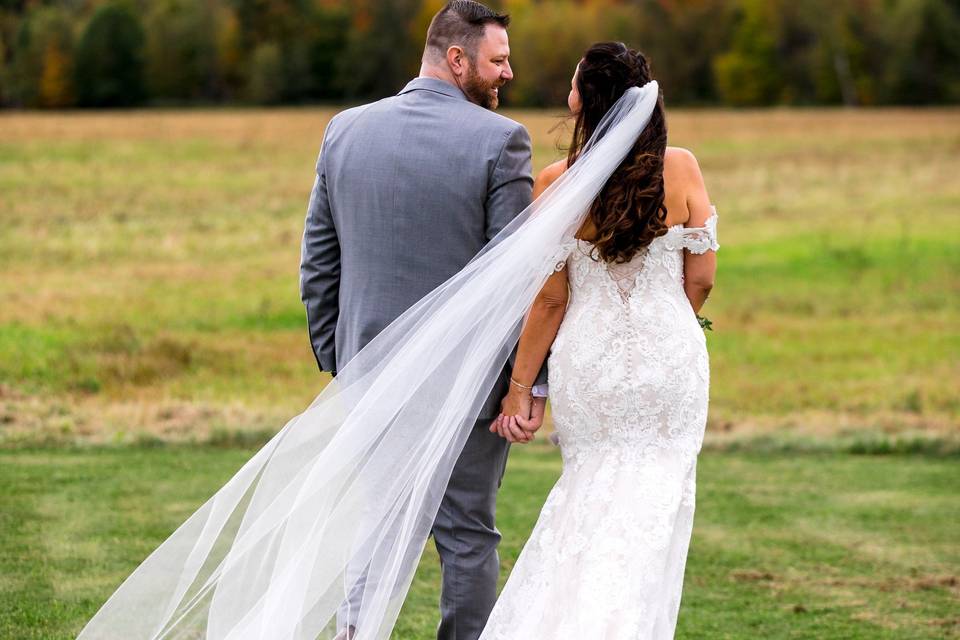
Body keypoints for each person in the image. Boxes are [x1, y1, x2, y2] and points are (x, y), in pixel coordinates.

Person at [299, 2, 546, 638]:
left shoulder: (344, 129)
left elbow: (318, 262)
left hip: (369, 373)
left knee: (374, 525)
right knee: (466, 534)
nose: (508, 74)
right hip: (467, 383)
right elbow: (514, 279)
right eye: (497, 60)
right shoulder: (502, 141)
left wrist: (340, 357)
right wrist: (524, 384)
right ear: (457, 59)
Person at [480, 42, 718, 638]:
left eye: (572, 85)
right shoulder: (683, 168)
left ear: (587, 100)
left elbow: (551, 300)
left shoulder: (558, 182)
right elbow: (703, 277)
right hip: (671, 360)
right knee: (657, 510)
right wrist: (666, 319)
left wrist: (520, 390)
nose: (566, 94)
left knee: (587, 494)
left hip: (590, 363)